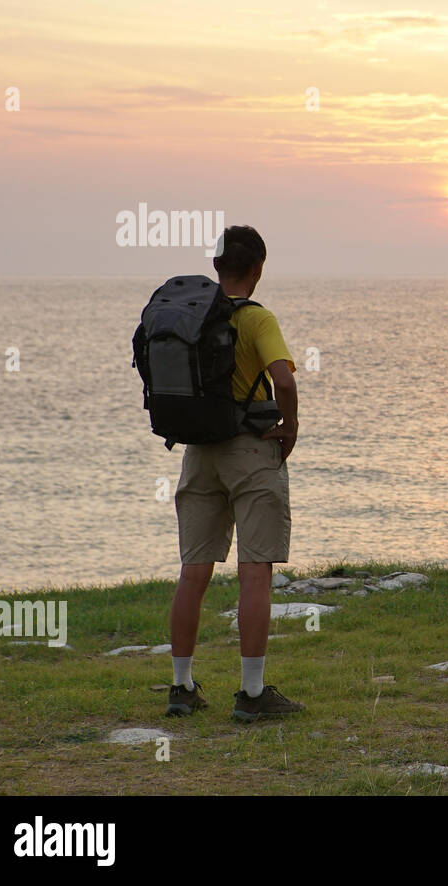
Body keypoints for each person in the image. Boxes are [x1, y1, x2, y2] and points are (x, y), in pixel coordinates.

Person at [164, 225, 306, 721]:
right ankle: (251, 695)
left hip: (198, 452)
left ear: (217, 266)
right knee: (254, 571)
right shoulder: (256, 318)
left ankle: (181, 687)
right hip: (249, 451)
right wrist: (290, 426)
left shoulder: (193, 316)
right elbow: (283, 379)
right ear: (258, 268)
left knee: (193, 572)